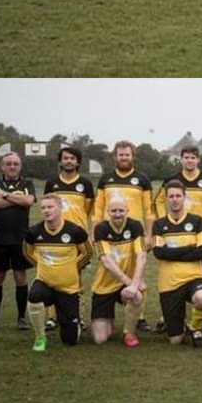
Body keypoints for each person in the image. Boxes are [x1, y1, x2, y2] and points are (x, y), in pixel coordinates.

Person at [156, 145, 202, 332]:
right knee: (171, 270)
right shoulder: (171, 180)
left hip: (199, 234)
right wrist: (165, 222)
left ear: (198, 160)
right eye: (186, 157)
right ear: (181, 159)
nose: (189, 160)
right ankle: (168, 315)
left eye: (193, 158)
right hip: (174, 232)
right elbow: (158, 201)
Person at [92, 140, 154, 330]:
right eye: (121, 155)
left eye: (127, 154)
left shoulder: (142, 179)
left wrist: (150, 235)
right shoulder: (106, 179)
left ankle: (139, 316)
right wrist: (93, 232)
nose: (124, 158)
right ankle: (106, 305)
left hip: (134, 235)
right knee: (109, 269)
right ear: (115, 157)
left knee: (138, 273)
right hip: (109, 234)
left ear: (132, 156)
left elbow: (149, 210)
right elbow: (98, 208)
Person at [23, 194, 92, 352]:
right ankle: (40, 336)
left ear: (60, 208)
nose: (46, 211)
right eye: (43, 208)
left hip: (68, 287)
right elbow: (27, 253)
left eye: (50, 207)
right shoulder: (34, 232)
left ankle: (70, 322)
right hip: (45, 282)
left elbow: (87, 253)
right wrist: (42, 267)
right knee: (34, 296)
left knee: (70, 340)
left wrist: (72, 267)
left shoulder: (75, 231)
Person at [152, 180, 202, 347]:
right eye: (171, 196)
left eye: (178, 195)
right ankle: (181, 326)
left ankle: (195, 327)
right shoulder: (159, 224)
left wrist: (171, 253)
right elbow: (158, 252)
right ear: (166, 199)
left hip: (194, 278)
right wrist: (188, 248)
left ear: (184, 197)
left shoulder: (198, 222)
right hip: (168, 284)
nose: (175, 199)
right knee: (175, 341)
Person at [43, 146, 95, 331]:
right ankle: (51, 317)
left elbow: (88, 210)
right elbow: (47, 207)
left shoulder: (85, 184)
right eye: (65, 158)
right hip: (54, 236)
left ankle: (77, 316)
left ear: (78, 162)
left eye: (72, 158)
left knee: (76, 277)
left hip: (77, 238)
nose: (69, 161)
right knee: (52, 275)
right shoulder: (52, 183)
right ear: (60, 161)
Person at [0, 152, 36, 332]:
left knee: (20, 277)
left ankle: (21, 318)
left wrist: (4, 196)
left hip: (21, 238)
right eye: (8, 163)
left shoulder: (27, 183)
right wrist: (17, 200)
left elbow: (29, 201)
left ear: (20, 166)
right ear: (2, 166)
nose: (12, 166)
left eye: (15, 163)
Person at [90, 194, 147, 348]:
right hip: (105, 285)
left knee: (136, 296)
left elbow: (141, 256)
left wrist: (134, 285)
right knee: (100, 338)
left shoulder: (135, 226)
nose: (117, 214)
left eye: (121, 210)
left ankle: (129, 333)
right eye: (113, 210)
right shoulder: (101, 229)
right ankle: (108, 321)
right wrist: (130, 282)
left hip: (126, 285)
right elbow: (106, 261)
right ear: (107, 211)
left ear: (127, 210)